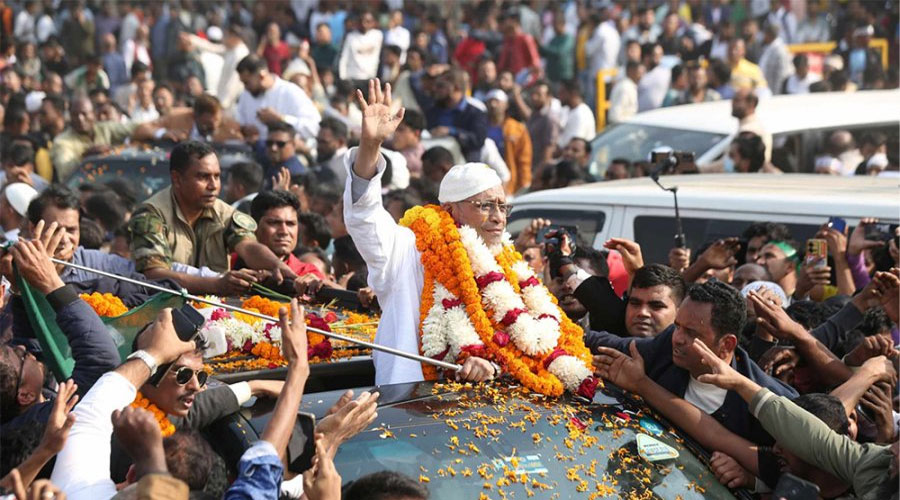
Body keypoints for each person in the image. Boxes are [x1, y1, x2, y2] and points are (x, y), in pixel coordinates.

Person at [345, 79, 594, 391]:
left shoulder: (507, 261)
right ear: (451, 209)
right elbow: (364, 217)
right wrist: (370, 146)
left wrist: (491, 364)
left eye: (504, 207)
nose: (499, 218)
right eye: (486, 206)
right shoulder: (412, 249)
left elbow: (518, 339)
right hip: (413, 407)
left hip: (493, 412)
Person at [589, 280, 798, 445]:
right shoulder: (663, 348)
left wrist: (749, 477)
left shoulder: (770, 403)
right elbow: (603, 343)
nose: (677, 338)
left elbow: (783, 468)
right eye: (677, 326)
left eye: (691, 333)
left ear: (726, 344)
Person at [129, 141, 299, 295]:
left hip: (215, 315)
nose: (213, 186)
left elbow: (248, 247)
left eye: (217, 176)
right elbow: (153, 274)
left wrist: (279, 267)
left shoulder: (225, 213)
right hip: (161, 310)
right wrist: (216, 285)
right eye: (203, 177)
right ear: (177, 179)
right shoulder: (150, 215)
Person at [26, 185, 135, 284]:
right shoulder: (17, 264)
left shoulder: (96, 264)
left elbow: (143, 275)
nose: (64, 239)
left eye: (71, 230)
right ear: (33, 229)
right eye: (55, 230)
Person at [49, 96, 151, 181]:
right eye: (75, 115)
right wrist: (85, 157)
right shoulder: (62, 142)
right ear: (70, 117)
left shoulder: (103, 128)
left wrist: (161, 132)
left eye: (84, 114)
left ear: (93, 114)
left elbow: (137, 127)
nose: (80, 119)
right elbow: (66, 172)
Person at [235, 190, 323, 279]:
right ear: (254, 226)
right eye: (274, 223)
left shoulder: (308, 274)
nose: (284, 231)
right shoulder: (230, 263)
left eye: (290, 224)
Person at [235, 55, 321, 141]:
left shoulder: (291, 92)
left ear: (261, 76)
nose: (245, 87)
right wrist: (244, 130)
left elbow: (314, 128)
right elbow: (239, 122)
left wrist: (281, 119)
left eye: (247, 83)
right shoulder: (246, 95)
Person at [424, 70, 488, 162]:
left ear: (456, 88)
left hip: (464, 165)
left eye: (441, 86)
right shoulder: (431, 111)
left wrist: (451, 132)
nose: (435, 89)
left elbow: (478, 140)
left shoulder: (475, 113)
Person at [136, 93, 242, 143]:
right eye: (207, 124)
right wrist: (163, 133)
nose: (213, 127)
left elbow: (243, 139)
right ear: (194, 116)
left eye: (217, 122)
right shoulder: (176, 117)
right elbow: (141, 130)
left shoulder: (229, 125)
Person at [485, 89, 532, 194]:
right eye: (490, 101)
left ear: (506, 105)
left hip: (510, 181)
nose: (493, 105)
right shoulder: (481, 126)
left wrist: (524, 184)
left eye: (497, 101)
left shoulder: (518, 128)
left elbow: (524, 159)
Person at [338, 10, 383, 85]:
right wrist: (343, 77)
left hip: (370, 78)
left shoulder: (378, 35)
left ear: (373, 22)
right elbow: (344, 58)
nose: (364, 24)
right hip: (353, 77)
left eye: (368, 21)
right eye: (361, 21)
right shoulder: (350, 37)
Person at [524, 80, 559, 172]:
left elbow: (549, 149)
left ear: (548, 97)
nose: (534, 97)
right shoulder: (534, 115)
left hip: (538, 171)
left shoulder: (549, 118)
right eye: (533, 94)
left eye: (539, 95)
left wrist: (538, 174)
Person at [732, 88, 772, 163]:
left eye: (737, 100)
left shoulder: (750, 131)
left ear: (751, 103)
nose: (733, 104)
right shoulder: (746, 127)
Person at [497, 10, 540, 78]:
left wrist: (533, 77)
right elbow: (502, 62)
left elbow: (534, 60)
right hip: (510, 78)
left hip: (524, 78)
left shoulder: (526, 38)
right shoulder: (507, 40)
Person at [387, 109, 426, 179]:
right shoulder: (397, 144)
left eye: (401, 130)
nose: (395, 134)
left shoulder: (414, 161)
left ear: (416, 134)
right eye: (395, 129)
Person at [556, 79, 595, 149]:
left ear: (573, 93)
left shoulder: (581, 114)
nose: (559, 95)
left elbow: (574, 146)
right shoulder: (568, 110)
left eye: (562, 92)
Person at [757, 24, 793, 94]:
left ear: (769, 34)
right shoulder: (768, 47)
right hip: (766, 87)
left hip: (776, 90)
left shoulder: (779, 50)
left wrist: (775, 95)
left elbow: (779, 76)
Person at [314, 117, 350, 185]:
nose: (319, 146)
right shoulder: (327, 160)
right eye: (318, 141)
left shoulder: (334, 169)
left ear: (340, 142)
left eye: (324, 142)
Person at [637, 42, 670, 112]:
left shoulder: (666, 72)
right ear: (646, 56)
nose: (659, 58)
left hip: (659, 116)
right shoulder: (636, 73)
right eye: (656, 55)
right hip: (639, 117)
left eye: (661, 55)